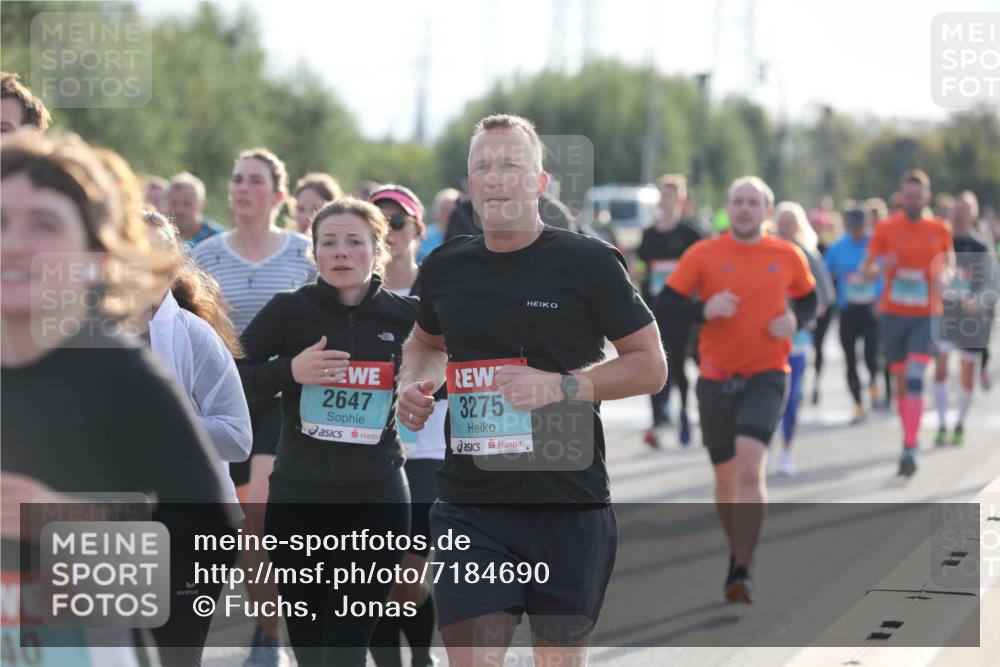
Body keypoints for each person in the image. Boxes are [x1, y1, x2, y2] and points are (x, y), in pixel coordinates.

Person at [397, 113, 666, 666]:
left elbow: (650, 366)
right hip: (470, 506)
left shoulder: (588, 262)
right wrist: (415, 382)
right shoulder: (446, 267)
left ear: (539, 183)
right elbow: (424, 342)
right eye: (483, 168)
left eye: (511, 166)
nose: (495, 178)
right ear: (470, 185)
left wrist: (563, 386)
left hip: (567, 507)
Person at [1, 132, 233, 667]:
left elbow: (209, 528)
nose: (13, 243)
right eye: (1, 221)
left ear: (95, 258)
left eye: (43, 224)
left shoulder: (117, 370)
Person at [238, 197, 416, 667]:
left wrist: (424, 392)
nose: (340, 252)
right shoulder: (288, 312)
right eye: (328, 243)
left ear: (378, 250)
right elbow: (232, 378)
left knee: (345, 648)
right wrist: (290, 371)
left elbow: (443, 373)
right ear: (313, 253)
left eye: (354, 242)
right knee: (313, 649)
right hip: (300, 498)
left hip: (376, 499)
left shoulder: (405, 316)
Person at [659, 175, 817, 602]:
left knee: (750, 468)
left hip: (768, 373)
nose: (745, 209)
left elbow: (811, 298)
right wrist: (703, 308)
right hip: (715, 378)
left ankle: (742, 569)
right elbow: (667, 303)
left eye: (753, 202)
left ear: (767, 211)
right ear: (729, 208)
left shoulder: (787, 255)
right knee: (725, 478)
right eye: (738, 202)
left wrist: (797, 321)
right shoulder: (704, 253)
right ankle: (737, 551)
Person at [192, 147, 315, 666]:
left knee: (260, 507)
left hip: (285, 399)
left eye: (255, 180)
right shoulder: (207, 254)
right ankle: (268, 634)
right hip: (226, 395)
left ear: (278, 196)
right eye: (237, 179)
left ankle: (280, 631)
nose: (242, 188)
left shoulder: (305, 253)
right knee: (247, 522)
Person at [367, 184, 444, 667]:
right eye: (379, 224)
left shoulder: (437, 296)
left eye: (398, 223)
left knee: (407, 576)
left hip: (427, 449)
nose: (390, 233)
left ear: (418, 230)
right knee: (373, 577)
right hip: (363, 453)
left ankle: (420, 656)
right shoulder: (350, 294)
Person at [860, 169, 953, 477]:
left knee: (915, 376)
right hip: (893, 315)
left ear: (927, 197)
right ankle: (908, 437)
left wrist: (944, 278)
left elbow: (949, 266)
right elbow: (867, 270)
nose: (913, 201)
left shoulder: (940, 228)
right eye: (908, 196)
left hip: (926, 314)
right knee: (901, 382)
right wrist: (882, 267)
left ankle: (911, 446)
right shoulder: (886, 228)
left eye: (918, 196)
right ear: (902, 198)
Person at [640, 173, 706, 448]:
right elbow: (643, 269)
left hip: (684, 311)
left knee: (680, 367)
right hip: (656, 311)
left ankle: (684, 416)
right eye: (661, 195)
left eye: (669, 195)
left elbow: (705, 270)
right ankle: (656, 422)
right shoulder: (649, 234)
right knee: (654, 365)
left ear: (680, 199)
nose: (664, 200)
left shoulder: (691, 234)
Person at [931, 191, 998, 446]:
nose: (959, 215)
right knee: (940, 368)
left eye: (964, 210)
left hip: (971, 319)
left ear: (973, 214)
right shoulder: (940, 241)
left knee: (967, 372)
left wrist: (978, 301)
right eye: (956, 210)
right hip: (945, 315)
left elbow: (994, 284)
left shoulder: (981, 246)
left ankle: (959, 423)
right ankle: (941, 424)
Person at [771, 202, 834, 475]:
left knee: (792, 395)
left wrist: (804, 313)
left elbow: (826, 294)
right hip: (767, 337)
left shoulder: (807, 255)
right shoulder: (765, 253)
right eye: (781, 221)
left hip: (797, 338)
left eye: (790, 222)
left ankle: (786, 450)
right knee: (767, 394)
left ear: (798, 226)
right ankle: (764, 447)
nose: (785, 227)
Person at [826, 208, 884, 421]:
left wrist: (881, 298)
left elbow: (887, 271)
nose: (858, 232)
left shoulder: (877, 244)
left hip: (871, 309)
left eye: (862, 227)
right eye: (855, 228)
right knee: (850, 359)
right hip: (848, 310)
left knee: (871, 355)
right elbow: (826, 271)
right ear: (849, 226)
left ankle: (874, 381)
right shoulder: (838, 247)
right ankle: (858, 403)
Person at [165, 171, 226, 248]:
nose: (180, 210)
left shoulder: (221, 239)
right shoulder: (158, 235)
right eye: (174, 203)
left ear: (201, 204)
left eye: (187, 203)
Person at [419, 187, 459, 263]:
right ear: (437, 211)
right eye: (444, 209)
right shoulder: (423, 236)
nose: (449, 214)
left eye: (452, 210)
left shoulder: (468, 235)